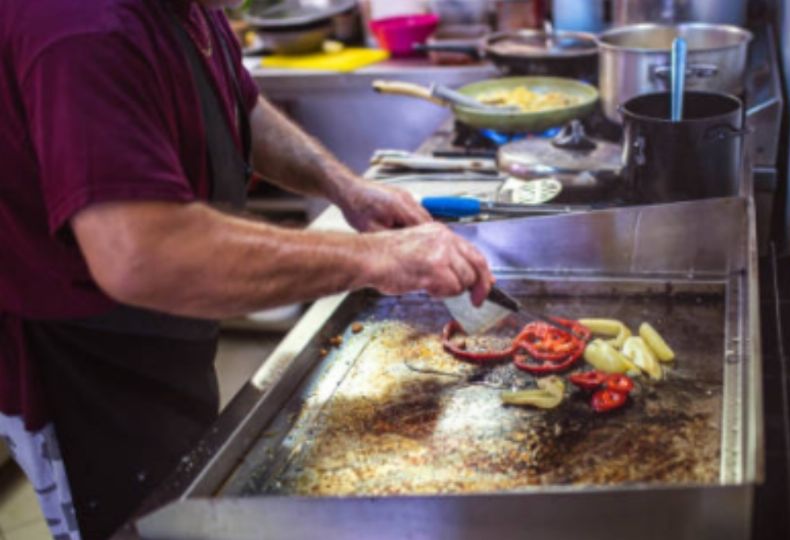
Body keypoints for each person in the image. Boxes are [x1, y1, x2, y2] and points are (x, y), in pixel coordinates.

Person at [0, 0, 494, 538]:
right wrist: (378, 258)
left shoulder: (192, 9)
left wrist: (343, 187)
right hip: (83, 366)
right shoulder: (79, 27)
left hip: (165, 335)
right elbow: (141, 255)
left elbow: (238, 104)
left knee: (183, 513)